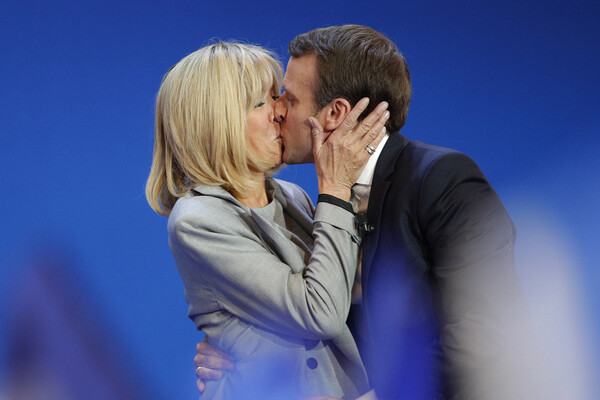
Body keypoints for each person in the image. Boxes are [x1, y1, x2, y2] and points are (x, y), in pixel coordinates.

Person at [194, 25, 533, 399]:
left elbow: (490, 330)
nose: (277, 111)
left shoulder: (443, 180)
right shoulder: (323, 203)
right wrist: (237, 347)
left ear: (335, 113)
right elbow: (325, 313)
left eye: (288, 98)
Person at [145, 42, 389, 399]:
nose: (279, 111)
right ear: (216, 124)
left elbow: (349, 290)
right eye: (260, 103)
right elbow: (319, 312)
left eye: (276, 97)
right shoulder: (197, 220)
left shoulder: (292, 196)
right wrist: (336, 189)